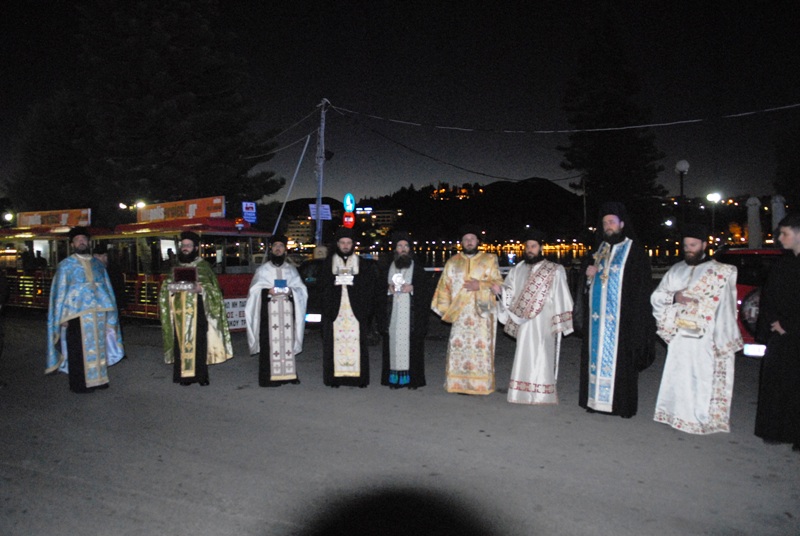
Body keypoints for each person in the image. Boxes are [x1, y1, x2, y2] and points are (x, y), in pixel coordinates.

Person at [651, 224, 742, 433]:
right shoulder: (676, 269)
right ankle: (676, 415)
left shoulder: (721, 272)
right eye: (686, 246)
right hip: (679, 335)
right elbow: (657, 296)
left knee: (701, 378)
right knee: (679, 376)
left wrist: (723, 337)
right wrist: (675, 297)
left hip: (705, 335)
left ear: (704, 245)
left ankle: (700, 418)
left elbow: (727, 307)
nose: (688, 249)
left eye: (693, 245)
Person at [579, 202, 655, 417]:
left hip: (623, 320)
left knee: (622, 362)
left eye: (612, 222)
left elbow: (641, 288)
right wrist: (588, 276)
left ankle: (621, 406)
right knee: (594, 359)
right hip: (597, 321)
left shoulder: (635, 252)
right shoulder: (599, 251)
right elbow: (587, 287)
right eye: (605, 223)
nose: (608, 226)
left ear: (622, 224)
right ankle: (595, 401)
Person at [498, 229, 574, 405]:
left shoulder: (554, 269)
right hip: (523, 320)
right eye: (527, 247)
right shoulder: (518, 269)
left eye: (533, 246)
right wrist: (500, 290)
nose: (529, 250)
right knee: (523, 353)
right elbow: (510, 290)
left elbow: (561, 295)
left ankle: (541, 393)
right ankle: (521, 392)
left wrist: (560, 321)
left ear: (541, 248)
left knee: (542, 353)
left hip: (544, 319)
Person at [46, 227, 125, 393]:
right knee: (77, 351)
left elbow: (106, 288)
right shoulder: (66, 266)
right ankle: (79, 384)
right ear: (72, 244)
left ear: (88, 242)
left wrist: (110, 311)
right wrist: (61, 318)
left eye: (84, 239)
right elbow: (59, 294)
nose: (81, 242)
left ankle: (98, 379)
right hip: (75, 316)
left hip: (98, 313)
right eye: (77, 240)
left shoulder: (98, 265)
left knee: (99, 347)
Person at [431, 226, 503, 395]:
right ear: (462, 242)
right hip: (460, 312)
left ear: (478, 241)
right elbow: (444, 287)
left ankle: (481, 385)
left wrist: (481, 285)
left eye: (472, 239)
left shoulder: (489, 259)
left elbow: (499, 283)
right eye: (466, 239)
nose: (469, 242)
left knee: (481, 349)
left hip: (483, 312)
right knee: (459, 348)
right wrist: (446, 310)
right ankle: (459, 384)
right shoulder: (452, 261)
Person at [158, 231, 233, 386]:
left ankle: (201, 376)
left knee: (200, 343)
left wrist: (201, 289)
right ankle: (184, 377)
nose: (185, 248)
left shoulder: (203, 266)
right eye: (183, 245)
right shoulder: (175, 267)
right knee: (180, 344)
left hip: (199, 312)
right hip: (179, 314)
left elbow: (214, 291)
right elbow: (165, 288)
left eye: (188, 245)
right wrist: (171, 288)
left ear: (196, 248)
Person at [755, 213, 800, 451]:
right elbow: (769, 297)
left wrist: (790, 325)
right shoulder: (784, 263)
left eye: (785, 234)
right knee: (778, 383)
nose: (780, 239)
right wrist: (773, 322)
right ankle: (776, 429)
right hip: (780, 336)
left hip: (793, 334)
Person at [245, 234, 308, 387]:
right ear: (271, 249)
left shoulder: (291, 270)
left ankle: (289, 374)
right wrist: (267, 291)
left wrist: (291, 291)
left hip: (287, 313)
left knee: (288, 343)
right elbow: (253, 292)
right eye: (275, 246)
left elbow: (301, 290)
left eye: (281, 246)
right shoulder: (263, 270)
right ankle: (268, 378)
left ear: (285, 250)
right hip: (268, 313)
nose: (278, 249)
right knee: (269, 345)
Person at [320, 227, 379, 388]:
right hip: (335, 312)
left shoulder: (362, 264)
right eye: (342, 243)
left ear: (353, 244)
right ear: (337, 244)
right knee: (333, 346)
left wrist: (354, 284)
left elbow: (369, 288)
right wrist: (335, 284)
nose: (345, 246)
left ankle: (358, 379)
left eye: (348, 242)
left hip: (355, 312)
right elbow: (323, 287)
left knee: (358, 346)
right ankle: (335, 379)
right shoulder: (329, 263)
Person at [378, 232, 432, 389]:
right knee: (393, 346)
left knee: (412, 347)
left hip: (411, 317)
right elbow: (378, 290)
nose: (403, 249)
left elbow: (426, 291)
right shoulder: (387, 267)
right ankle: (394, 379)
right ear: (395, 249)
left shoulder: (418, 269)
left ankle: (412, 380)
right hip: (393, 315)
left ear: (410, 249)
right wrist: (388, 289)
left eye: (406, 246)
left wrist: (413, 288)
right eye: (399, 246)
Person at [93, 243, 127, 312]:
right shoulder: (91, 270)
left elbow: (120, 288)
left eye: (105, 255)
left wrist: (121, 304)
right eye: (99, 256)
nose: (103, 258)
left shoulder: (114, 269)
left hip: (113, 304)